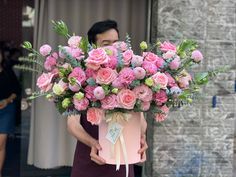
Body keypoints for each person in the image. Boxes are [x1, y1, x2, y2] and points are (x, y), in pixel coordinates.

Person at [67, 20, 148, 177]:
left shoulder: (129, 76)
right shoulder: (80, 78)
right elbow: (72, 124)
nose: (113, 48)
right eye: (106, 43)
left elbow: (140, 119)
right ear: (93, 47)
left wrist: (141, 136)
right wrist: (93, 143)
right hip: (89, 161)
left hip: (121, 161)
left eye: (116, 42)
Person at [0, 43, 21, 177]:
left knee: (1, 143)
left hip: (6, 109)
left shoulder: (8, 70)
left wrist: (6, 101)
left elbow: (16, 90)